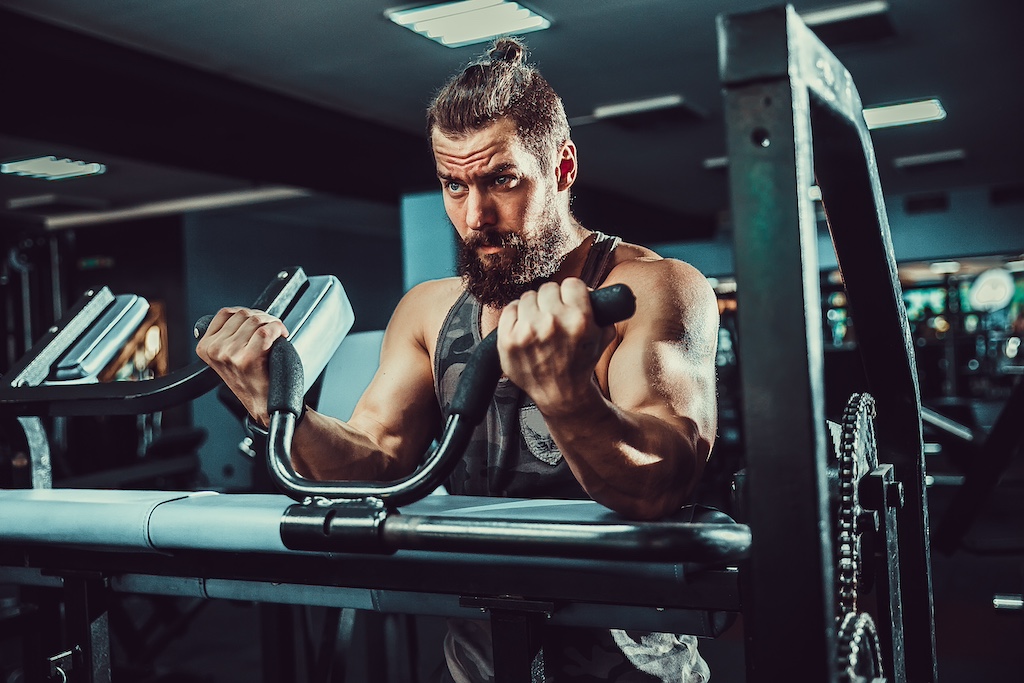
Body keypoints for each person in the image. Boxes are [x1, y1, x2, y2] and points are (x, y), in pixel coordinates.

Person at [197, 37, 719, 683]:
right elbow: (373, 466)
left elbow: (663, 479)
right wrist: (274, 405)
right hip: (479, 662)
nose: (475, 216)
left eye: (501, 180)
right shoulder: (429, 311)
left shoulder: (652, 288)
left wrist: (567, 396)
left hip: (632, 668)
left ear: (562, 167)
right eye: (454, 184)